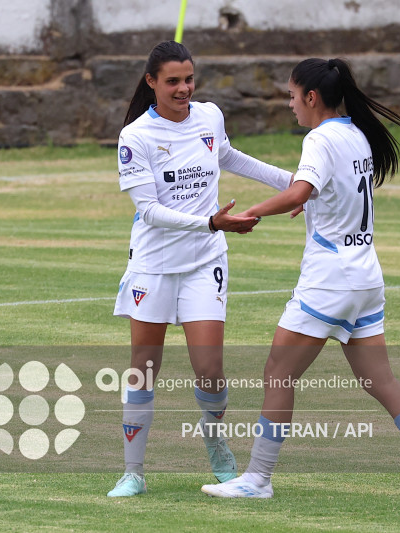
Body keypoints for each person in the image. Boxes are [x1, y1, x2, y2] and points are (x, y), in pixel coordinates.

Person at [201, 58, 400, 499]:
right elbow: (317, 191)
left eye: (291, 95)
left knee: (278, 373)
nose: (289, 105)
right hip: (365, 279)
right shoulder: (355, 133)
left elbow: (301, 191)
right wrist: (305, 198)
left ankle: (257, 480)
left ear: (311, 97)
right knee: (380, 380)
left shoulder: (320, 138)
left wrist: (251, 212)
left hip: (330, 280)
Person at [109, 40, 295, 497]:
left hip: (204, 262)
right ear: (151, 82)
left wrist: (293, 183)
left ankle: (216, 446)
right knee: (143, 368)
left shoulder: (210, 116)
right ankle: (133, 472)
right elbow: (148, 211)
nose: (183, 89)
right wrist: (210, 221)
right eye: (172, 81)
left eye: (189, 79)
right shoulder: (135, 137)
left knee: (210, 368)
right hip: (153, 265)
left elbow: (228, 157)